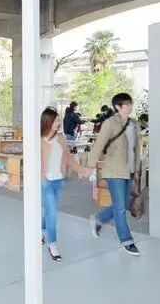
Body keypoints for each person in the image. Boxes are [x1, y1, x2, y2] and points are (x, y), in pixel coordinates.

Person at [87, 93, 142, 256]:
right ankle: (127, 240)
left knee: (123, 204)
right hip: (114, 170)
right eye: (127, 104)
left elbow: (137, 148)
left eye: (130, 103)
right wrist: (89, 166)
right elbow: (99, 145)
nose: (130, 106)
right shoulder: (110, 123)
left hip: (129, 171)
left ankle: (99, 219)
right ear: (118, 107)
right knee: (120, 208)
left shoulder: (134, 124)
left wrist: (136, 169)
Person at [41, 107, 90, 262]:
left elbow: (68, 158)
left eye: (58, 120)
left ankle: (40, 230)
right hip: (46, 182)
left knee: (50, 210)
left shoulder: (61, 138)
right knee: (52, 213)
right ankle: (53, 246)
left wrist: (81, 169)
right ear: (47, 121)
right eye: (55, 120)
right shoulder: (39, 140)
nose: (58, 123)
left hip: (59, 180)